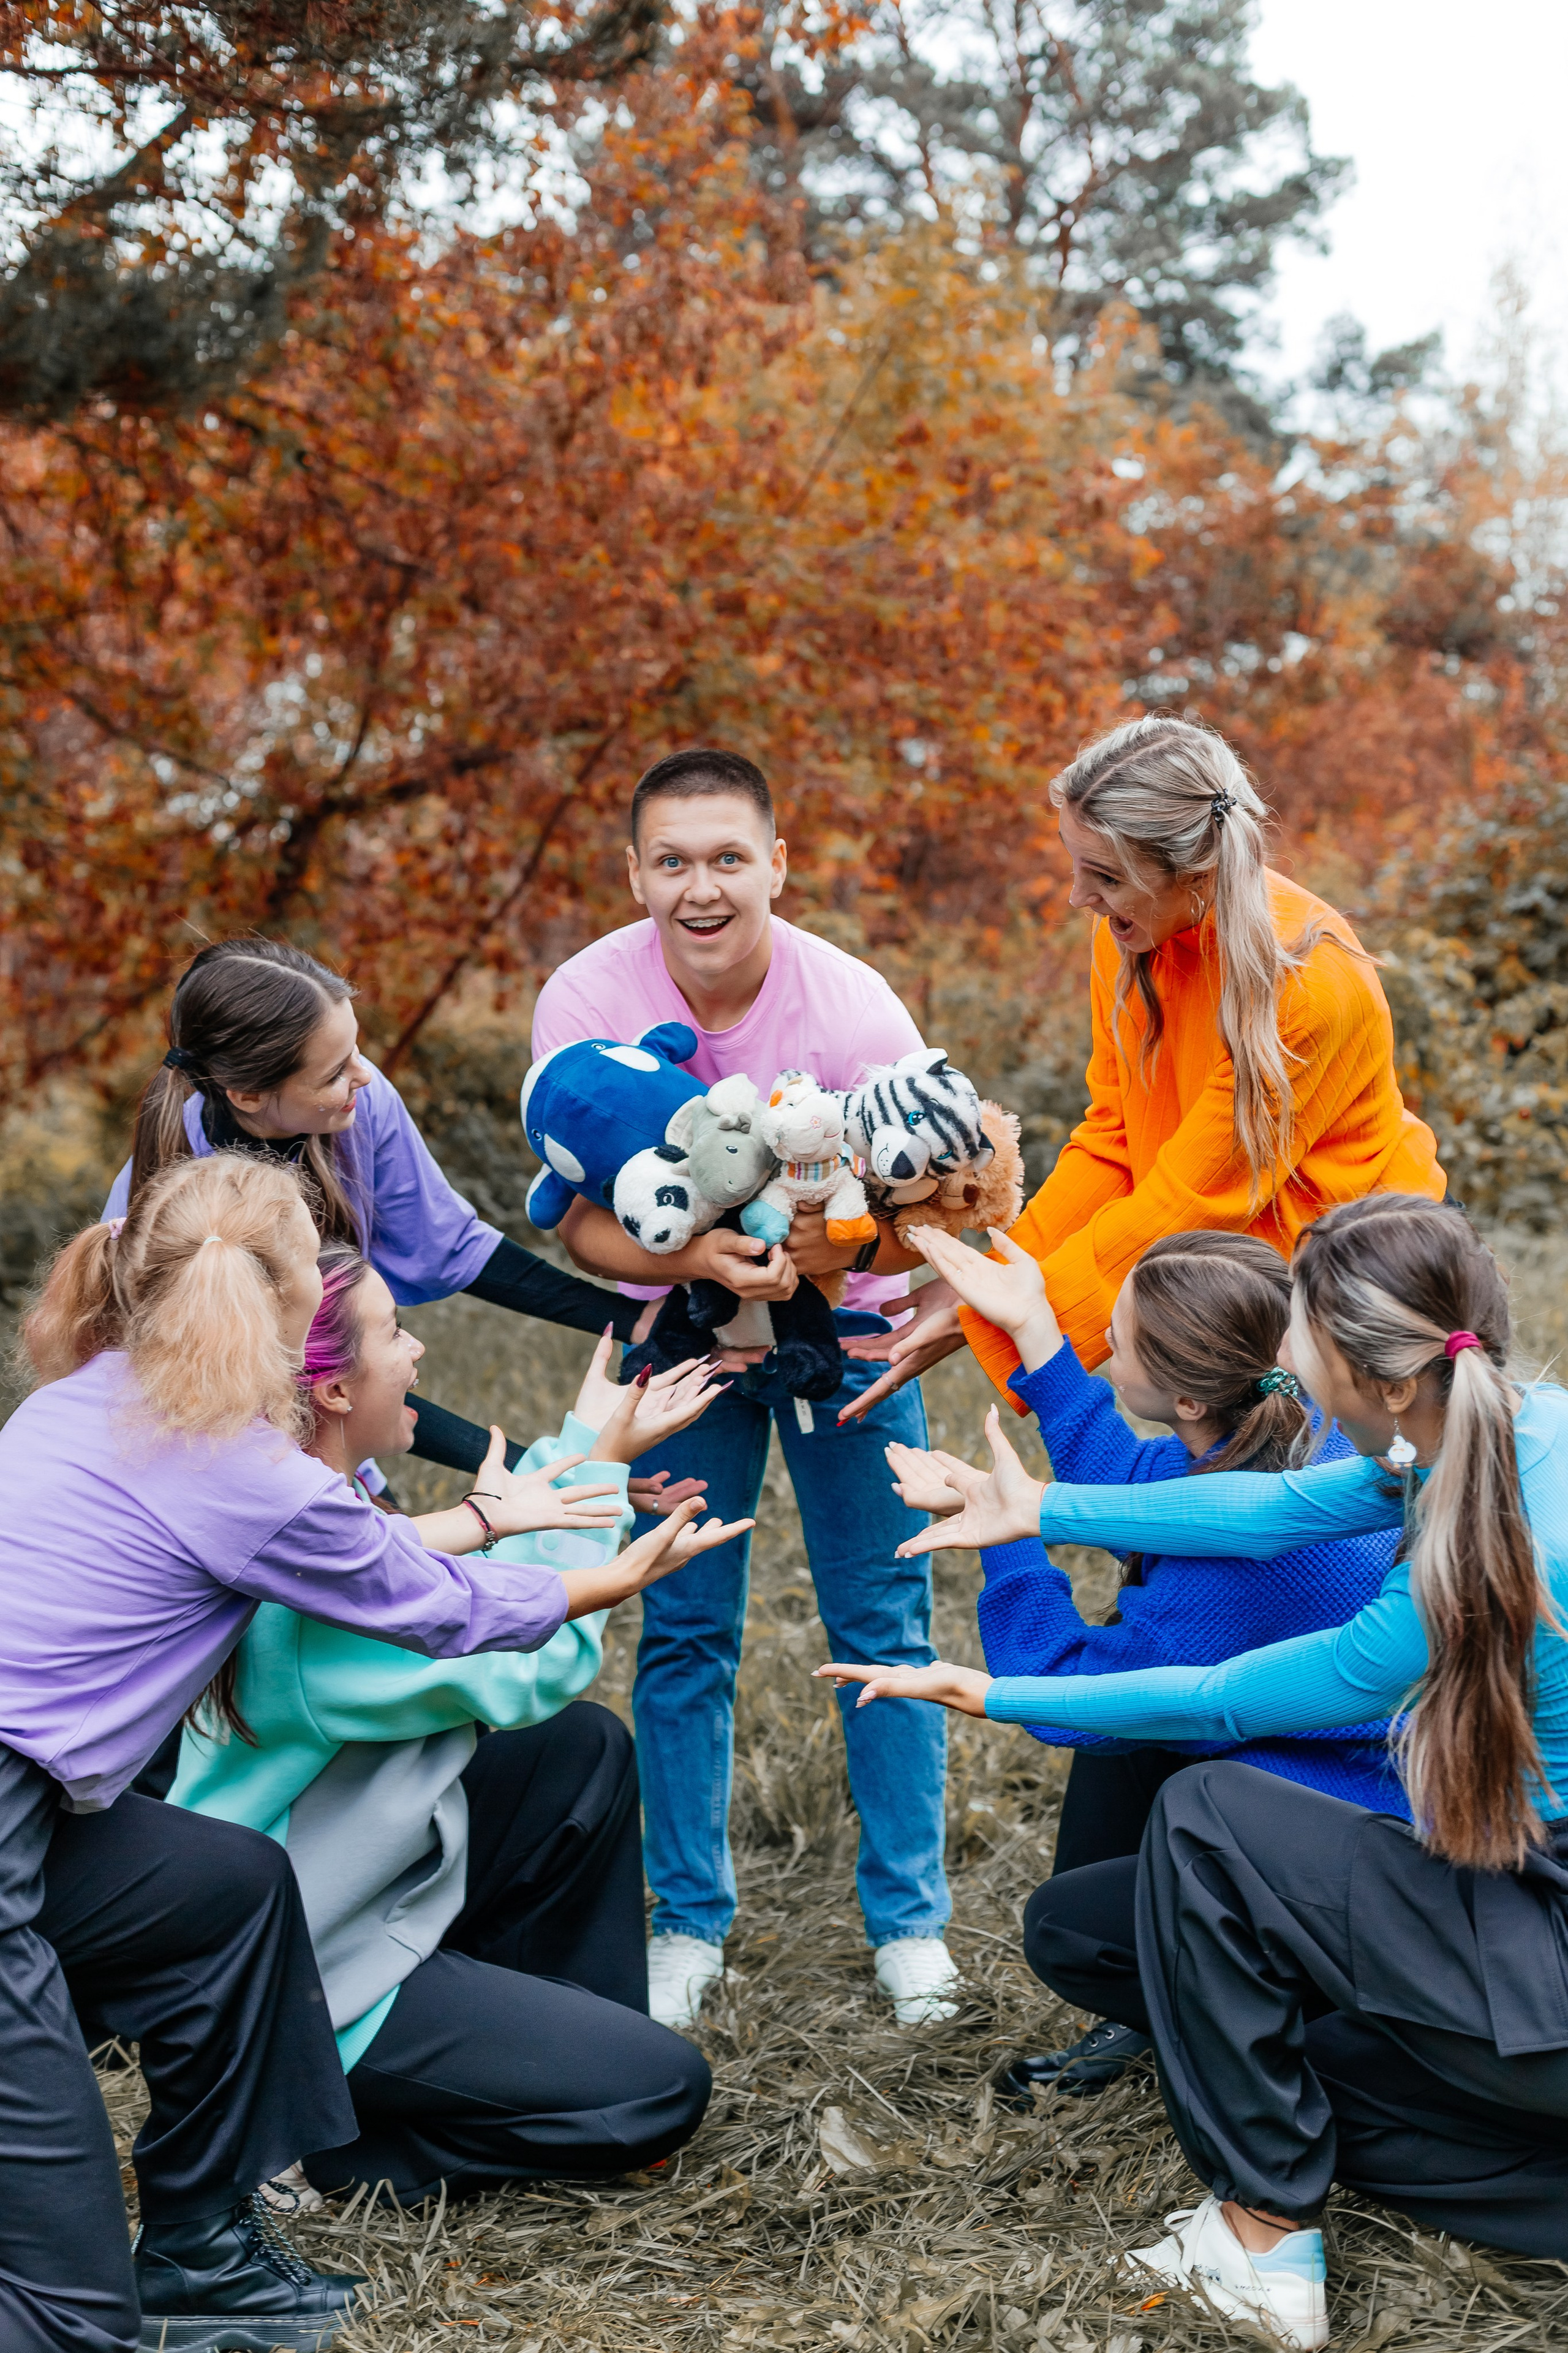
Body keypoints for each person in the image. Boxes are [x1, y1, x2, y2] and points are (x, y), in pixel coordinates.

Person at [1, 1152, 736, 2353]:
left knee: (223, 1889)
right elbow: (441, 1606)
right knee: (73, 2308)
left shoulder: (100, 1393)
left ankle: (199, 2254)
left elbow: (374, 1544)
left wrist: (520, 1507)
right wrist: (610, 1565)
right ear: (281, 1308)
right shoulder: (241, 1466)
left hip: (42, 1808)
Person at [820, 1197, 1568, 2350]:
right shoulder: (1513, 1429)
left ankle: (1266, 2249)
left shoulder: (1468, 1562)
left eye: (1302, 1336)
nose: (1287, 1357)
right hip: (1517, 1930)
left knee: (1209, 1813)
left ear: (1370, 1377)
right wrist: (1038, 1505)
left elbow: (1217, 1699)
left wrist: (990, 1691)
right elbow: (1264, 1510)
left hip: (1540, 1945)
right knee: (1306, 2060)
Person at [532, 745, 957, 2031]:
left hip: (854, 1337)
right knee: (682, 1626)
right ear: (634, 873)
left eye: (727, 858)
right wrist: (695, 1251)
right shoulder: (586, 994)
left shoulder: (855, 1008)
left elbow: (923, 1208)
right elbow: (582, 1223)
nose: (699, 888)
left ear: (777, 863)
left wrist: (834, 1249)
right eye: (672, 862)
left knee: (882, 1620)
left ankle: (910, 1925)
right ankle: (684, 1922)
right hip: (683, 1339)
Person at [170, 1250, 725, 2202]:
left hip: (357, 1897)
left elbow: (465, 1578)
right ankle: (322, 2142)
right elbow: (531, 1665)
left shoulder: (306, 1513)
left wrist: (590, 1444)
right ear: (336, 1387)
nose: (418, 1347)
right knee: (656, 2094)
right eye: (394, 1331)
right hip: (301, 1985)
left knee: (580, 1754)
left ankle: (538, 2044)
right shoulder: (317, 1596)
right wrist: (597, 1482)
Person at [888, 1220, 1402, 2103]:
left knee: (1070, 1927)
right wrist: (1036, 1332)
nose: (1106, 1354)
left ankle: (1287, 2017)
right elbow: (1133, 1480)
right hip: (1362, 1787)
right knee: (1129, 1739)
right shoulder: (1307, 1429)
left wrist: (999, 1533)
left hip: (1340, 1853)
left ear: (1192, 1400)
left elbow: (1054, 1686)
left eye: (1114, 1344)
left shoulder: (1214, 1590)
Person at [840, 714, 1444, 1427]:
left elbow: (1195, 1196)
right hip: (1231, 1275)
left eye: (1106, 877)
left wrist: (1012, 1314)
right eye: (1075, 864)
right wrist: (995, 1277)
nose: (1077, 898)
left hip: (1351, 1285)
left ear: (1191, 871)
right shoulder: (1131, 938)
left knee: (1329, 1528)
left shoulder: (1310, 984)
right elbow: (1115, 1140)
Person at [101, 936, 695, 1514]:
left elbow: (451, 1247)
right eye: (334, 1071)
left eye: (356, 1050)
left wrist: (634, 1318)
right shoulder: (200, 1223)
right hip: (214, 1465)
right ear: (248, 1095)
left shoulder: (358, 1104)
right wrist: (551, 1473)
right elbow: (326, 1388)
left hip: (324, 1440)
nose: (363, 1075)